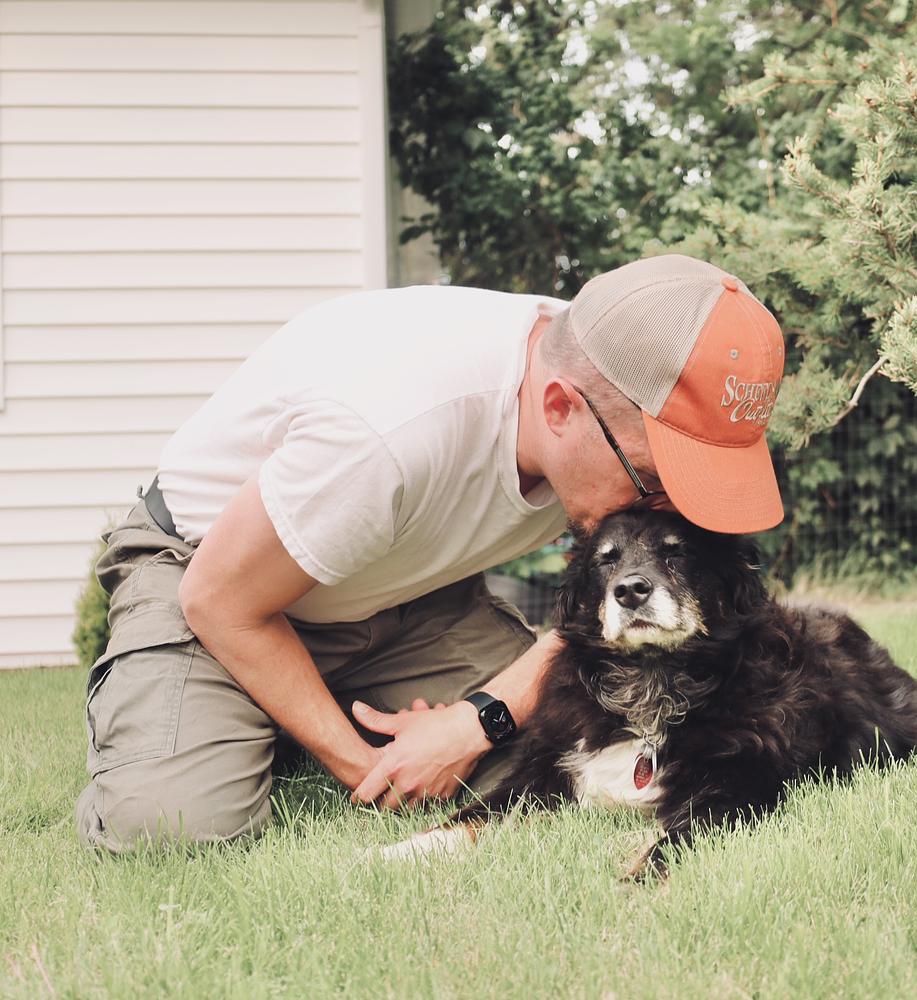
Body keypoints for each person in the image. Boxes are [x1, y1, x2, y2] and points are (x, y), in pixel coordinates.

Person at [75, 253, 786, 852]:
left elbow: (587, 625)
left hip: (408, 594)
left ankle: (282, 715)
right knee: (170, 825)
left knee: (557, 757)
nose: (666, 512)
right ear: (559, 410)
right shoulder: (387, 426)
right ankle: (225, 721)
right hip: (213, 583)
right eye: (654, 481)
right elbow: (217, 600)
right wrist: (367, 766)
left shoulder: (602, 372)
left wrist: (474, 723)